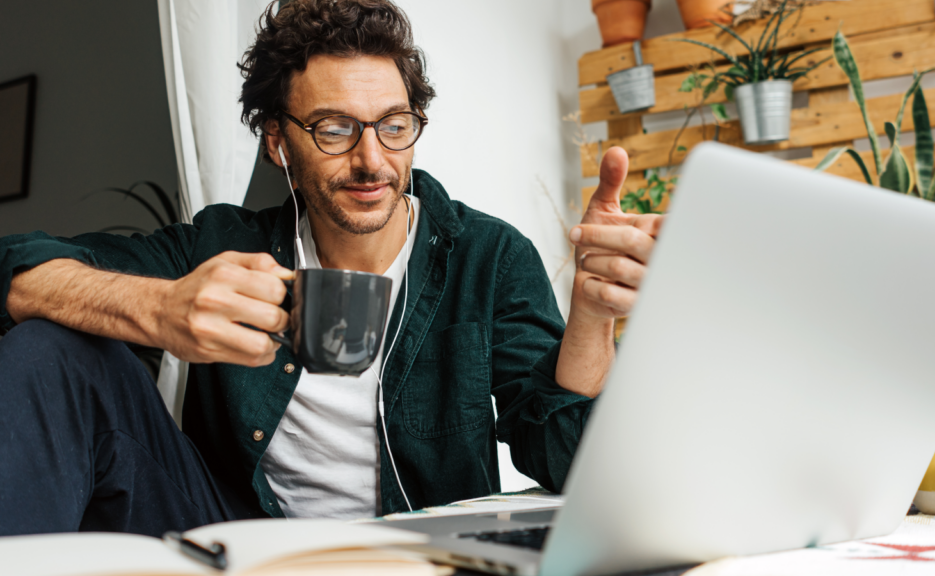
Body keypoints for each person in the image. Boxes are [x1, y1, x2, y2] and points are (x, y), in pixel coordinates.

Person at [0, 0, 661, 536]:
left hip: (414, 555)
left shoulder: (487, 255)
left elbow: (567, 462)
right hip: (236, 537)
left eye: (393, 125)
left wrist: (594, 315)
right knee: (49, 346)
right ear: (279, 142)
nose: (372, 159)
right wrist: (159, 309)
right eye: (335, 129)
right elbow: (14, 263)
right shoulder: (223, 244)